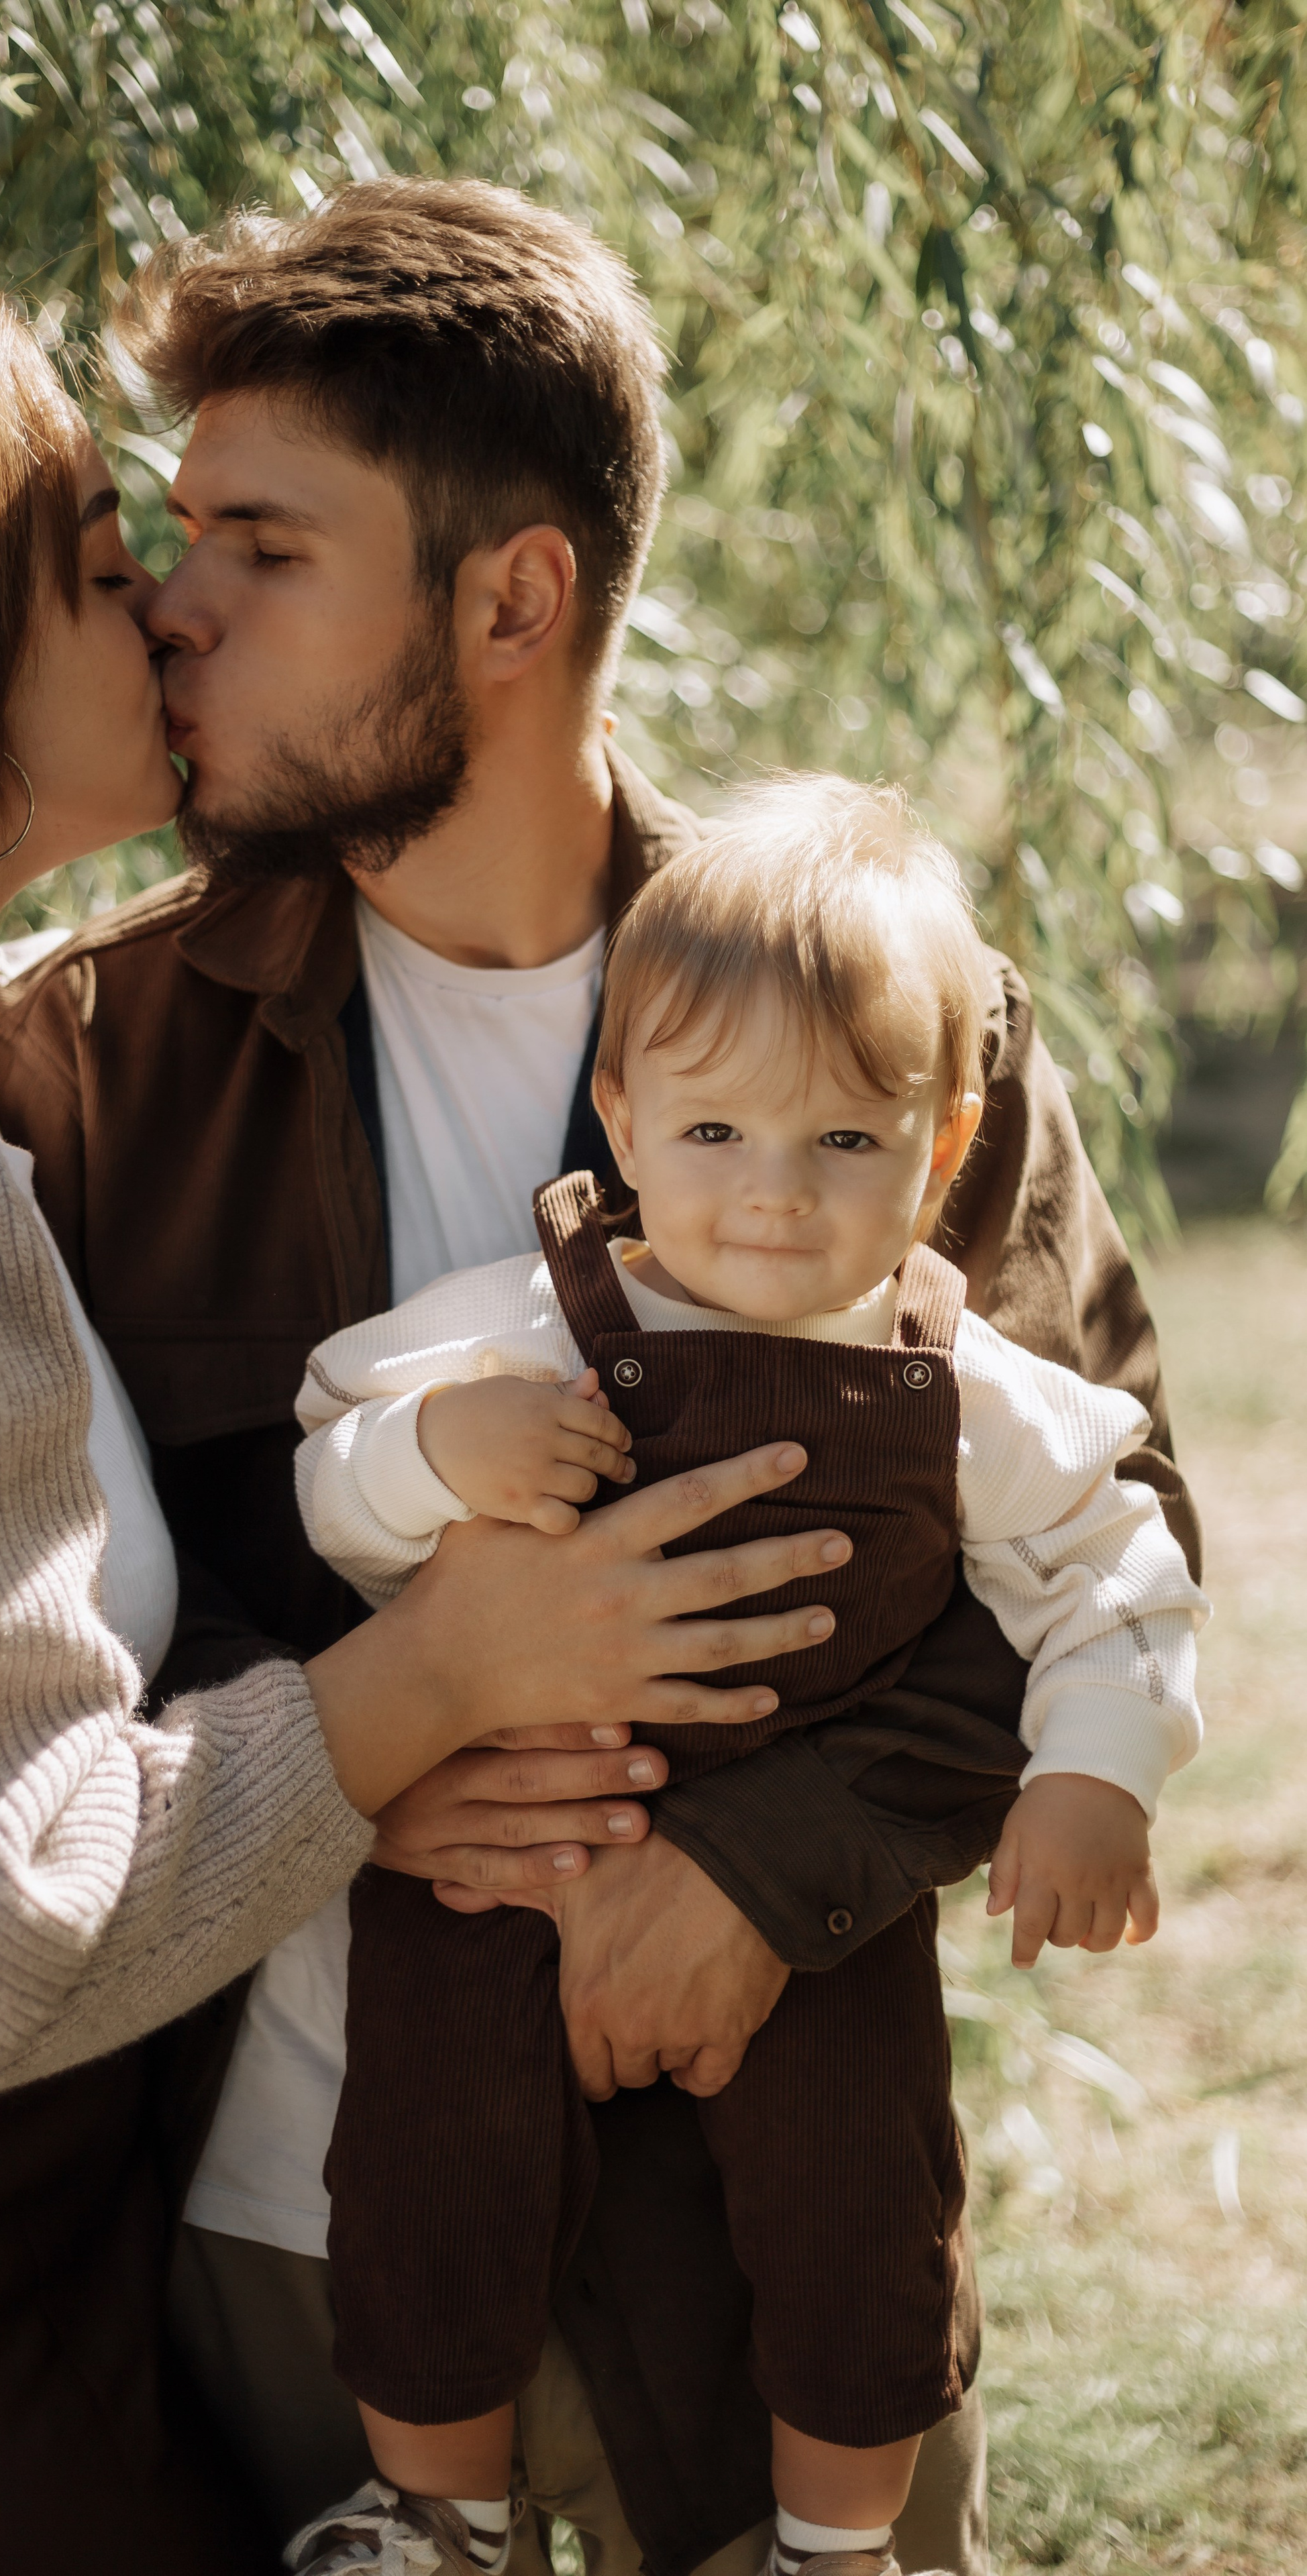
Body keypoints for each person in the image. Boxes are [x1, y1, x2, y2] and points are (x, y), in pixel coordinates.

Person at [0, 180, 1201, 2574]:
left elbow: (1102, 1527)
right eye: (176, 533)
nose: (170, 602)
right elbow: (25, 1631)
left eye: (260, 543)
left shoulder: (883, 1022)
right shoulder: (84, 1066)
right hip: (289, 2218)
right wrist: (339, 1763)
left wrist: (761, 1875)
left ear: (512, 596)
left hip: (771, 2232)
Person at [0, 277, 840, 2575]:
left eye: (238, 553)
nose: (163, 607)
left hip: (21, 2234)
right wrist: (431, 1686)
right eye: (101, 563)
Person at [284, 780, 1206, 2576]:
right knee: (429, 2161)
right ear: (621, 1118)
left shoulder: (951, 1375)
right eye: (713, 1129)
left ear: (944, 1149)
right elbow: (330, 1465)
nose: (774, 1200)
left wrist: (1098, 1771)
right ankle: (438, 2512)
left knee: (862, 2197)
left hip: (811, 1904)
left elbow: (1116, 1559)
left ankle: (839, 2543)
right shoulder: (537, 1326)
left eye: (844, 1147)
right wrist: (442, 1453)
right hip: (511, 1854)